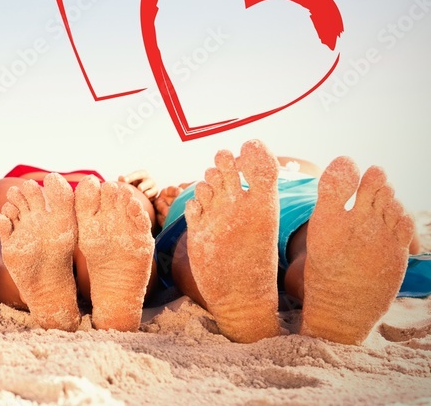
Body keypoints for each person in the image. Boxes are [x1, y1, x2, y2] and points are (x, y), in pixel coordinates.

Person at [155, 139, 430, 345]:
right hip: (302, 203)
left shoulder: (204, 194)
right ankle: (315, 288)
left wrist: (167, 199)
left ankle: (247, 319)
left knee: (193, 248)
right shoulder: (301, 173)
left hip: (236, 212)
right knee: (316, 240)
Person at [0, 165, 161, 332]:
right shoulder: (105, 184)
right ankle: (115, 295)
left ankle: (28, 287)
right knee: (123, 203)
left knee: (7, 221)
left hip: (27, 193)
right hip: (100, 199)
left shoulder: (21, 181)